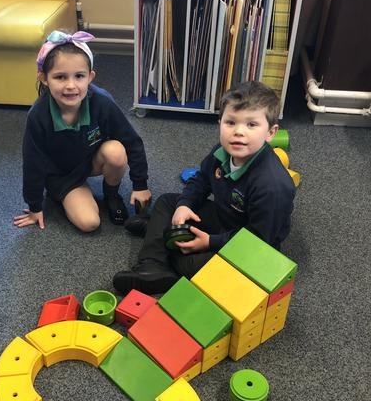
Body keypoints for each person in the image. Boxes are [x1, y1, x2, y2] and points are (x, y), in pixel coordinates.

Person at [113, 80, 295, 295]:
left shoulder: (272, 186)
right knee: (168, 202)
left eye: (251, 125)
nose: (238, 132)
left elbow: (257, 240)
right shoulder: (223, 151)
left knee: (186, 263)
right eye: (230, 122)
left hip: (251, 246)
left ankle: (159, 233)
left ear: (271, 133)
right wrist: (185, 204)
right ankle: (152, 265)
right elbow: (201, 180)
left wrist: (210, 242)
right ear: (220, 123)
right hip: (224, 218)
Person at [13, 30, 151, 232]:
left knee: (116, 151)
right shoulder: (38, 116)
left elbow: (132, 141)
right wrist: (35, 206)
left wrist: (140, 185)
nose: (71, 86)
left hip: (88, 160)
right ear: (44, 78)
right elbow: (32, 163)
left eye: (79, 76)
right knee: (89, 223)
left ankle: (111, 195)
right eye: (60, 77)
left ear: (90, 77)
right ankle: (64, 194)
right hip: (60, 175)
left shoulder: (102, 102)